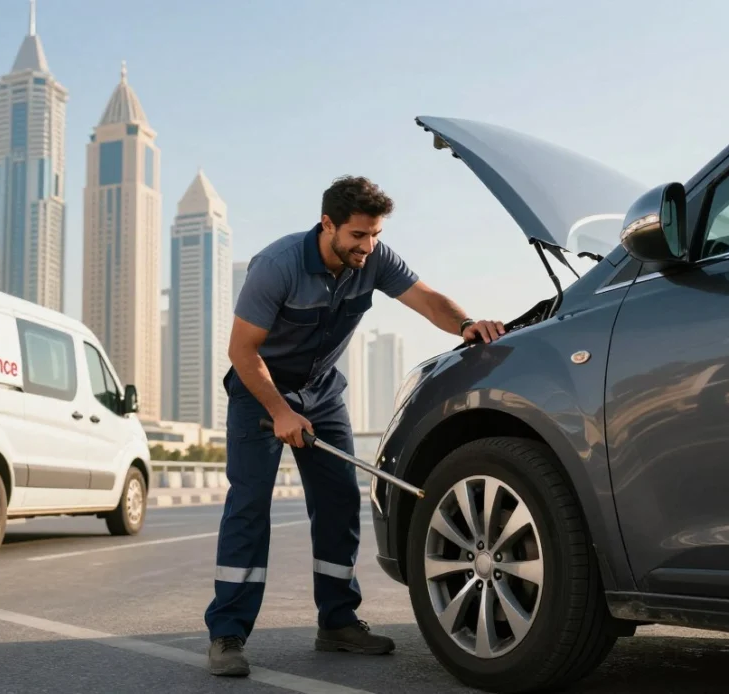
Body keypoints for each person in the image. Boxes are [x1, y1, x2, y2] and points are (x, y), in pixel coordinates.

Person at [205, 175, 505, 677]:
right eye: (358, 236)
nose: (368, 246)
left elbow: (428, 299)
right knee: (249, 507)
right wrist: (280, 410)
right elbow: (242, 351)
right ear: (328, 225)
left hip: (322, 392)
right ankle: (227, 633)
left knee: (341, 501)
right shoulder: (277, 267)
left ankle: (338, 622)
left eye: (375, 235)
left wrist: (465, 325)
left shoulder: (376, 259)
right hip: (259, 392)